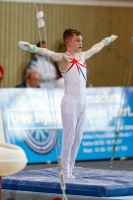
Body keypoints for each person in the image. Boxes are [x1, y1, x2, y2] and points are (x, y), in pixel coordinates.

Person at [18, 28, 118, 178]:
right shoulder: (63, 58)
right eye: (77, 40)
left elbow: (96, 48)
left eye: (81, 40)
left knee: (78, 138)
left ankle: (70, 169)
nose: (81, 43)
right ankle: (65, 172)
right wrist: (32, 47)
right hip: (70, 101)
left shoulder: (83, 56)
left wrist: (108, 40)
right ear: (68, 42)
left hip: (82, 101)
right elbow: (48, 53)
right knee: (69, 138)